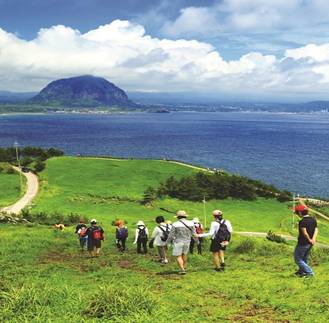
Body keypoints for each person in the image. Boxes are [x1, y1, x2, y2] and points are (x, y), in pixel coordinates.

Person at [167, 210, 196, 275]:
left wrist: (167, 242)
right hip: (187, 241)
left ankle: (182, 269)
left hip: (178, 241)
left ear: (178, 217)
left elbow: (171, 235)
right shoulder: (191, 223)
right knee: (184, 254)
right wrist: (197, 241)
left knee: (178, 256)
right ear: (185, 216)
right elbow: (194, 234)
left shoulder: (175, 224)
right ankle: (183, 267)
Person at [294, 204, 318, 277]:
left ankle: (310, 273)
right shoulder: (313, 219)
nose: (297, 214)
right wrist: (313, 239)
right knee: (304, 258)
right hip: (310, 243)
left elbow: (304, 232)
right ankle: (302, 271)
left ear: (300, 213)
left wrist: (309, 239)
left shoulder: (302, 221)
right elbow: (316, 230)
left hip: (303, 243)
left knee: (297, 258)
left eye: (297, 212)